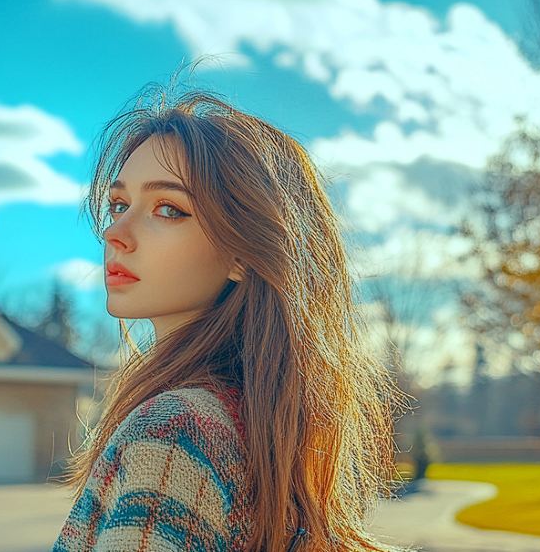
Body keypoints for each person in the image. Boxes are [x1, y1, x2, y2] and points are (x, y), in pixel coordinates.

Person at [52, 85, 407, 552]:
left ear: (243, 252)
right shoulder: (252, 429)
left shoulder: (174, 431)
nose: (116, 232)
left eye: (167, 209)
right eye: (120, 205)